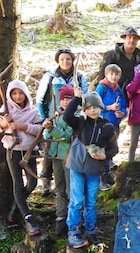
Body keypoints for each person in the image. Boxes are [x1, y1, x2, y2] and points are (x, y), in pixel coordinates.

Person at [63, 90, 118, 248]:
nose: (93, 110)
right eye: (89, 107)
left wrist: (105, 156)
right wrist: (77, 99)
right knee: (77, 200)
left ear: (101, 107)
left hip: (95, 169)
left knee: (91, 201)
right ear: (85, 109)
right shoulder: (80, 122)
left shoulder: (107, 126)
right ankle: (73, 230)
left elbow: (114, 148)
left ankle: (90, 228)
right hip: (77, 166)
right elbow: (67, 116)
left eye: (96, 107)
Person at [0, 80, 43, 236]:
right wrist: (4, 123)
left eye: (20, 93)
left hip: (29, 152)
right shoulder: (5, 110)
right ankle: (28, 218)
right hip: (13, 151)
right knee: (18, 183)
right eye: (14, 93)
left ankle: (16, 207)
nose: (18, 96)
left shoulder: (33, 111)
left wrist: (22, 126)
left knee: (32, 183)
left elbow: (40, 130)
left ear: (26, 94)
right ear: (10, 95)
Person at [36, 48, 88, 196]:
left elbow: (85, 96)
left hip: (72, 119)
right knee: (50, 151)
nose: (65, 62)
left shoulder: (78, 77)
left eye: (68, 59)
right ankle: (46, 181)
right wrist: (44, 117)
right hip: (53, 119)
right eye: (62, 59)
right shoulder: (50, 76)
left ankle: (71, 185)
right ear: (58, 61)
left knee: (69, 147)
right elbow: (40, 99)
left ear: (72, 61)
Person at [41, 84, 74, 236]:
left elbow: (66, 137)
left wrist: (51, 129)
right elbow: (52, 137)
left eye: (69, 99)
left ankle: (73, 219)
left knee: (70, 189)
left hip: (69, 157)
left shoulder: (75, 116)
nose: (66, 102)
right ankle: (60, 217)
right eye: (63, 99)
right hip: (56, 157)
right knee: (59, 188)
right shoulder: (57, 115)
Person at [96, 64, 127, 190]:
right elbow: (95, 103)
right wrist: (109, 107)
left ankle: (108, 174)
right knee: (103, 149)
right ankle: (102, 178)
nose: (114, 77)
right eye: (111, 74)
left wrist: (122, 113)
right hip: (103, 123)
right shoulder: (102, 87)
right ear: (106, 74)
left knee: (112, 149)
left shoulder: (119, 89)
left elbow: (124, 104)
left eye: (116, 74)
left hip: (115, 122)